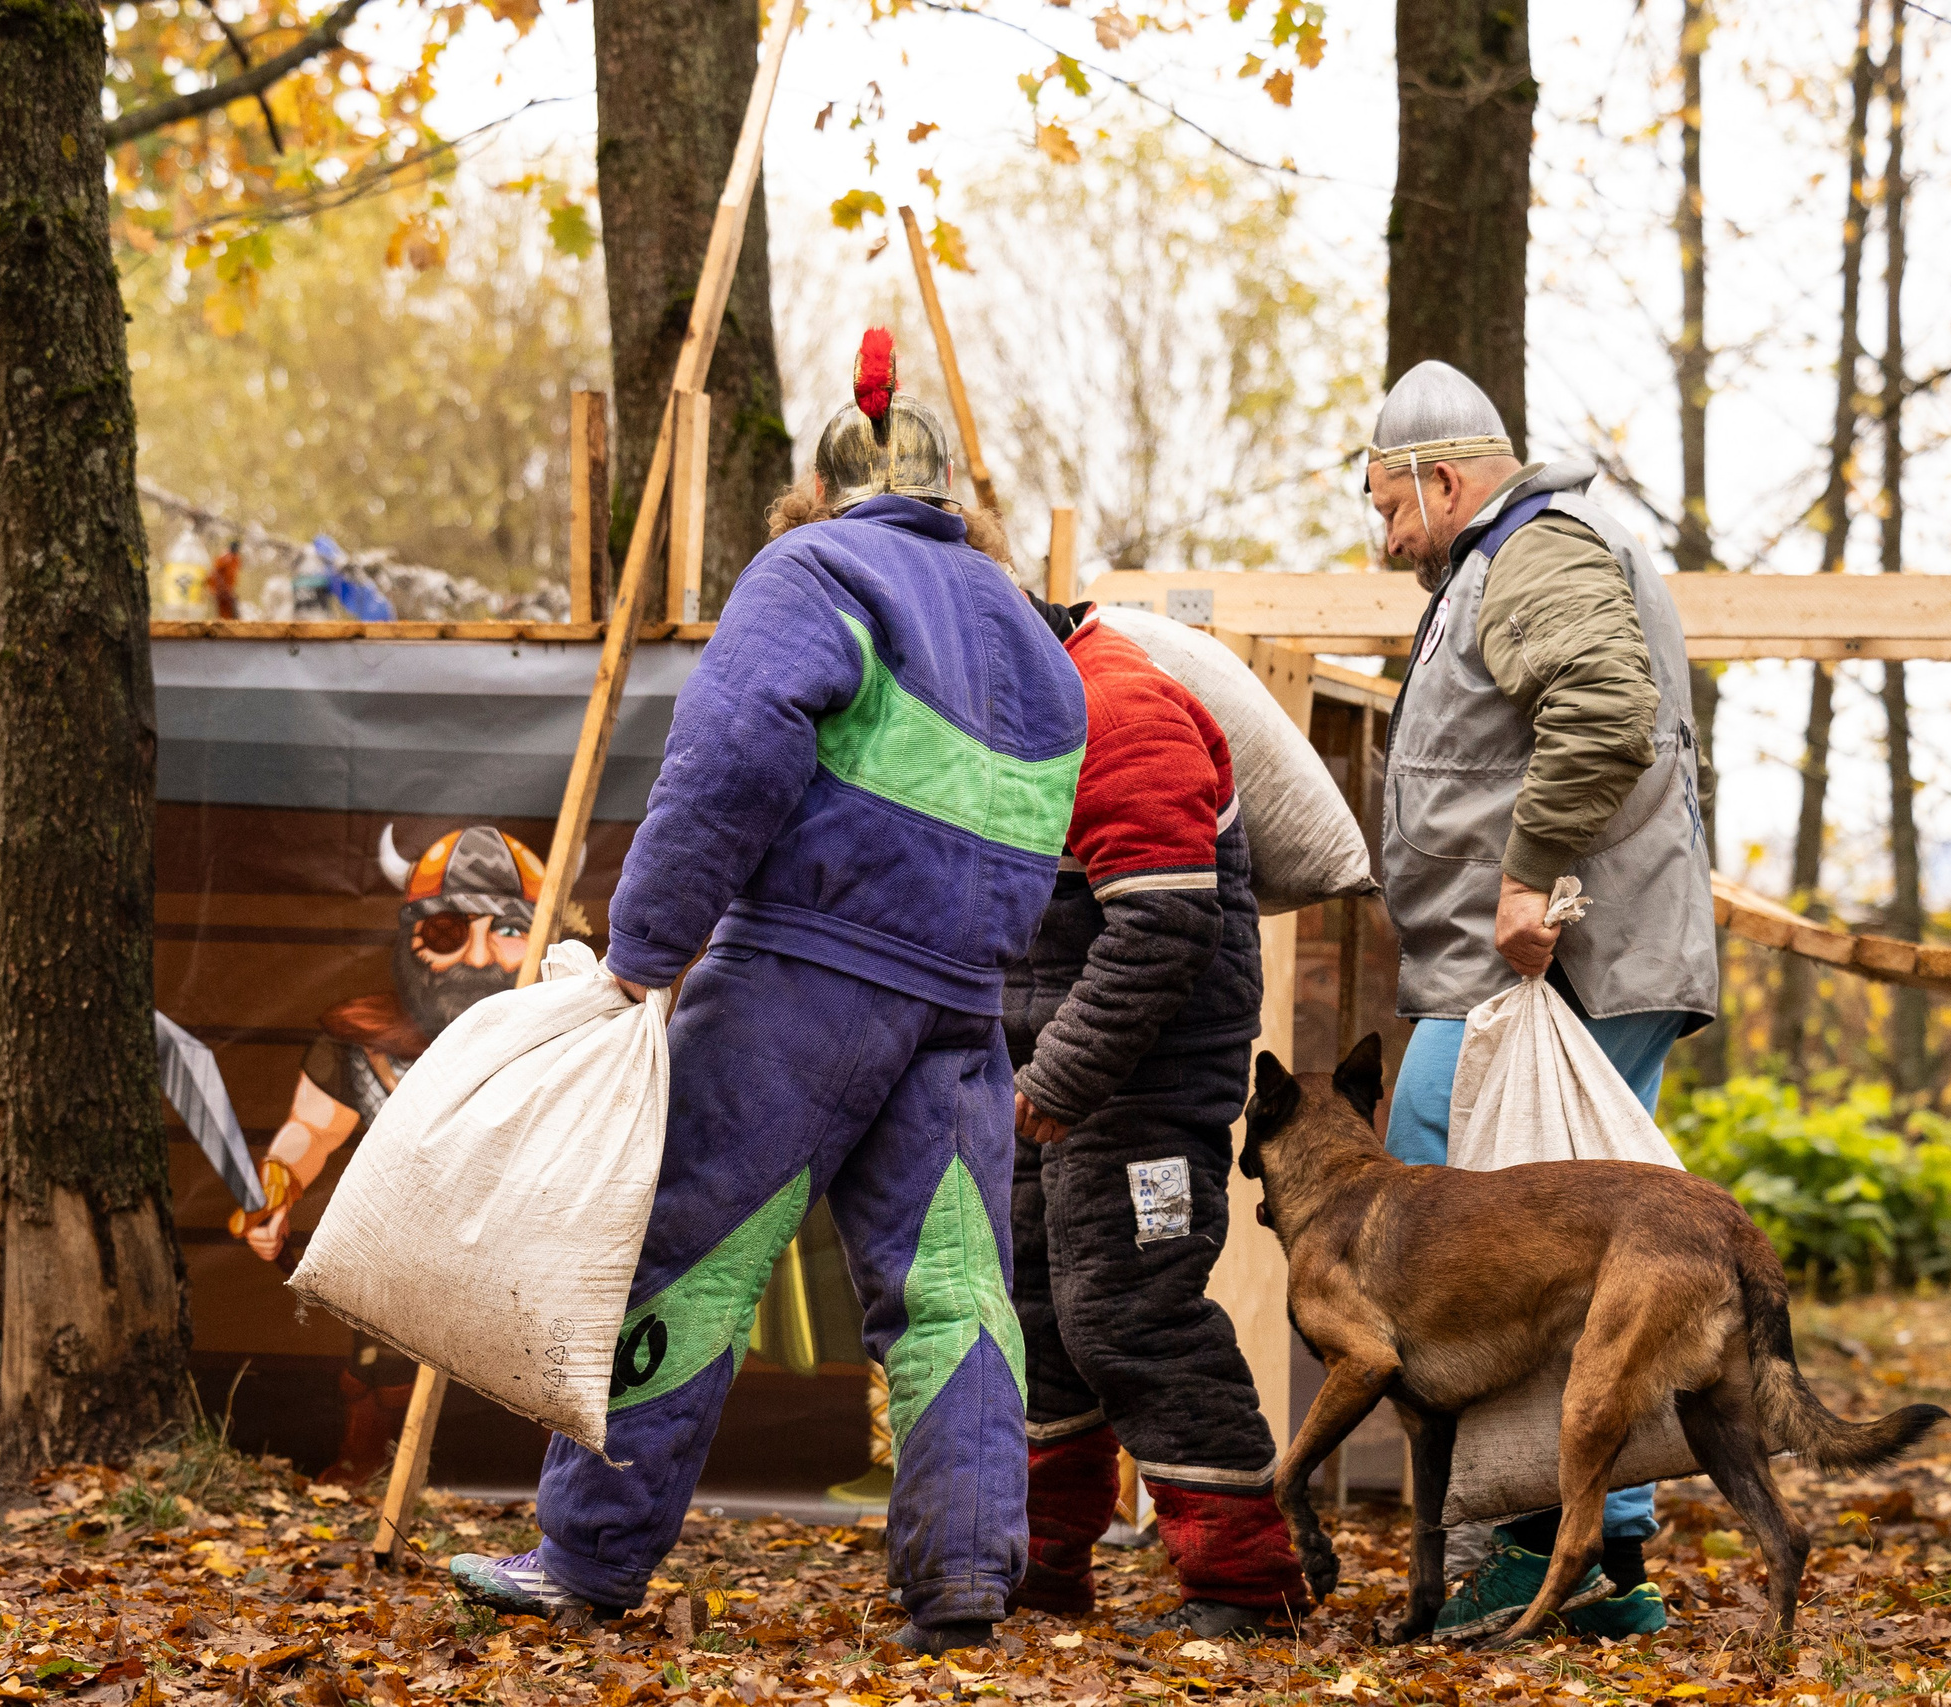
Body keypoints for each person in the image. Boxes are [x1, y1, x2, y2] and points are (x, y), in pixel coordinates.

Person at [448, 330, 1088, 1658]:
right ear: (959, 495)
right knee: (958, 1289)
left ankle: (587, 1556)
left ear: (822, 486)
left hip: (800, 982)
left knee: (686, 1255)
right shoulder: (1035, 639)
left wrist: (644, 947)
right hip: (963, 1010)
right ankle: (964, 1580)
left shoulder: (816, 569)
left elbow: (723, 767)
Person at [1365, 360, 1719, 1639]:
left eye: (1386, 505)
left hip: (1550, 968)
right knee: (1571, 1262)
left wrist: (1522, 880)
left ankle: (1532, 1549)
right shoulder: (1510, 561)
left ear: (1442, 478)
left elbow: (1605, 707)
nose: (1385, 537)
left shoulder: (1532, 551)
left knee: (1467, 1247)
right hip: (1554, 965)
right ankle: (1600, 1559)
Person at [1003, 597, 1310, 1638]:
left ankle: (1244, 1583)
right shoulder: (1014, 711)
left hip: (1145, 1080)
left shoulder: (1118, 713)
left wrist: (1060, 1075)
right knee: (1034, 1311)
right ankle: (1039, 1569)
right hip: (1052, 1077)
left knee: (1135, 1315)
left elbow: (1165, 922)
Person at [233, 823, 542, 1483]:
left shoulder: (572, 1045)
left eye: (509, 929)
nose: (479, 956)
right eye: (449, 932)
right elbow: (311, 1131)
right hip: (404, 1262)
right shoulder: (364, 1047)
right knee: (380, 1360)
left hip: (525, 1260)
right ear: (413, 940)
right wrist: (275, 1193)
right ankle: (369, 1465)